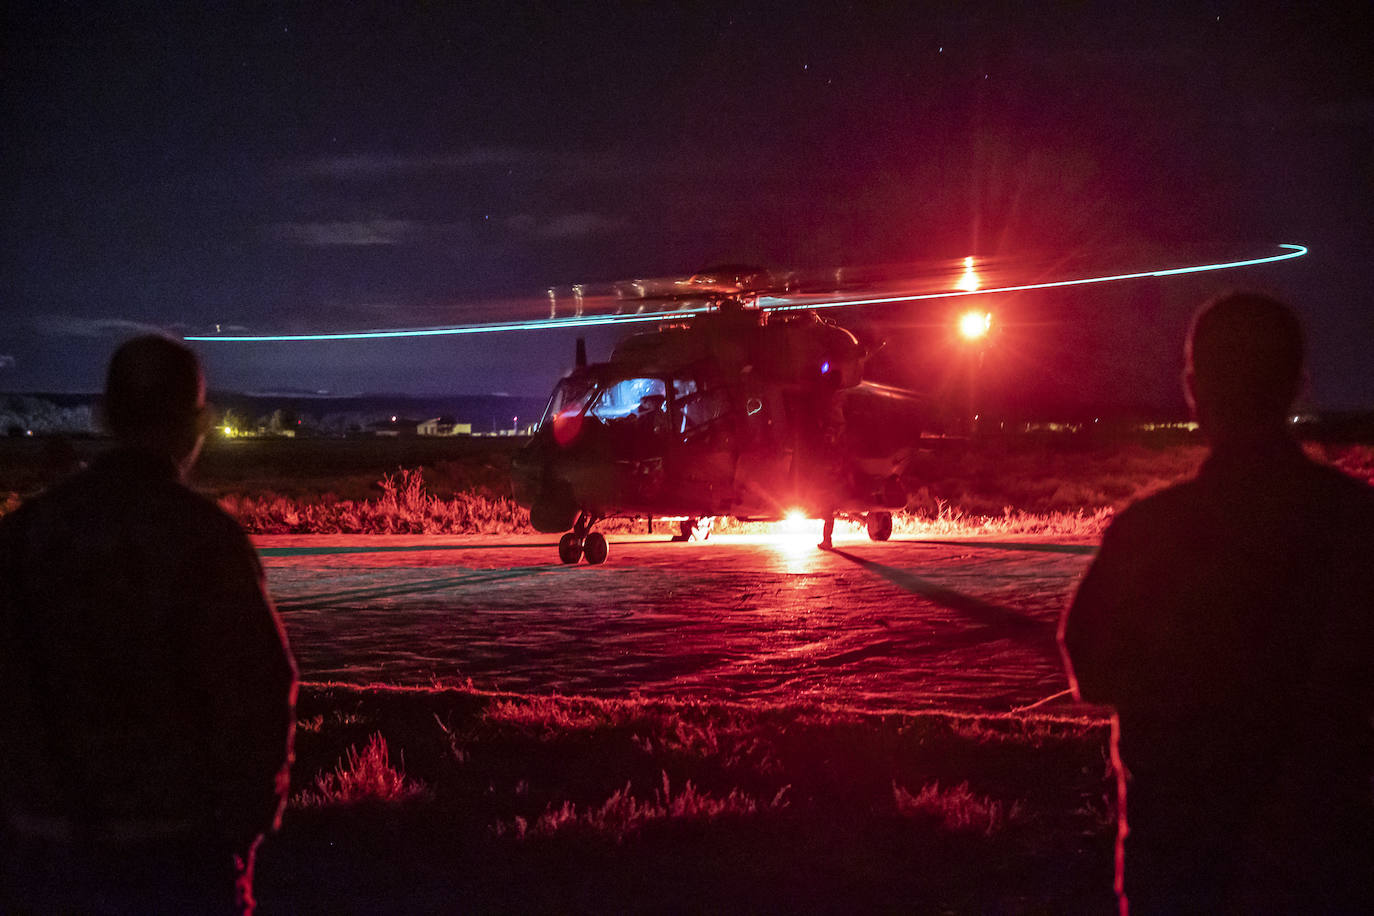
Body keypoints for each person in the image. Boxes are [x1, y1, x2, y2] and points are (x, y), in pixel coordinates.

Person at [1060, 293, 1374, 913]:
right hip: (1325, 859)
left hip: (1181, 861)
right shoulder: (1357, 526)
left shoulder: (1149, 532)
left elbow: (1089, 667)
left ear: (1194, 390)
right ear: (1297, 386)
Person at [0, 335, 297, 915]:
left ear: (105, 415)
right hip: (176, 856)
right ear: (198, 423)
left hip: (41, 854)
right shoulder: (205, 540)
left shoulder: (28, 534)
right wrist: (241, 830)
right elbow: (261, 691)